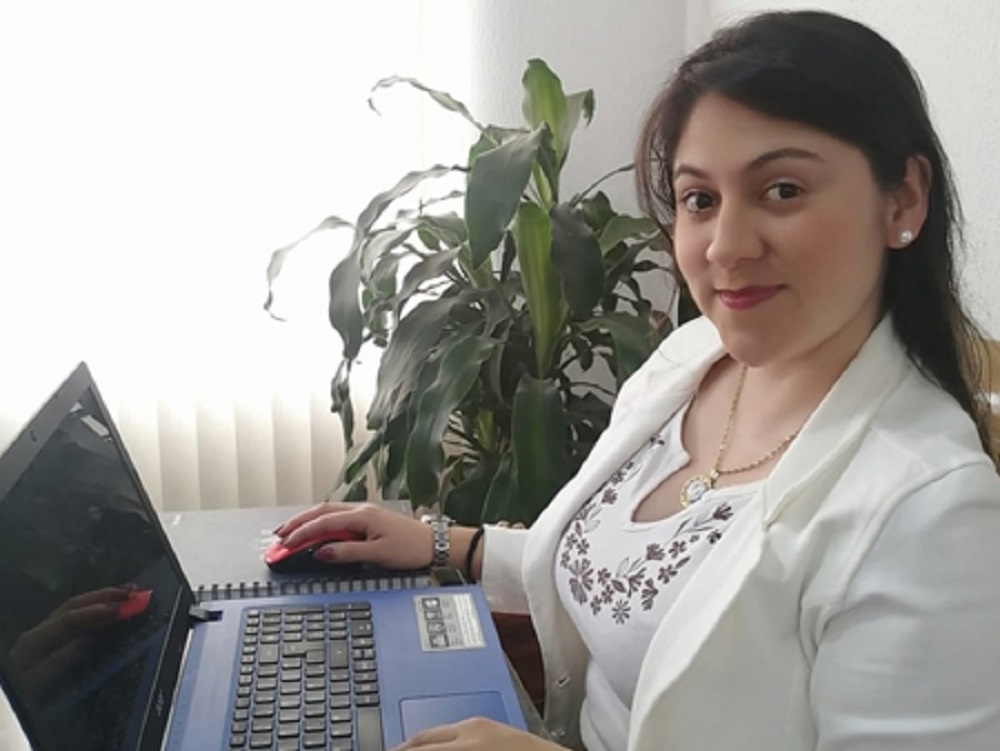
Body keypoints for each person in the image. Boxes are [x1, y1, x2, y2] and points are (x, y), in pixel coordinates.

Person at [274, 10, 1000, 750]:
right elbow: (625, 578)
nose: (725, 247)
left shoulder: (931, 510)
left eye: (782, 190)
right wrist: (442, 544)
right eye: (700, 199)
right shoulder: (692, 359)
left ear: (903, 200)